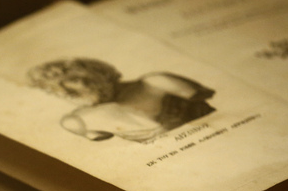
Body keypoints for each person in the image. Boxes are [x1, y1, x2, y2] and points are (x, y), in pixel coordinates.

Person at [28, 58, 215, 142]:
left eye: (74, 80)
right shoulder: (78, 121)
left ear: (96, 72)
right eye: (55, 90)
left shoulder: (156, 82)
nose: (67, 93)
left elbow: (220, 108)